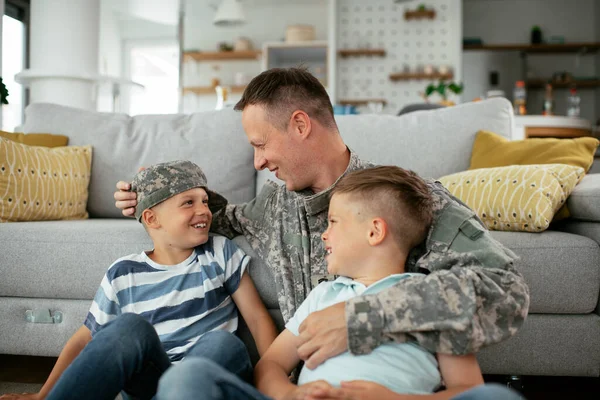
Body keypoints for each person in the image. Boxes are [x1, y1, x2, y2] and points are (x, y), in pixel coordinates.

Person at [114, 67, 529, 369]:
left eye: (261, 145)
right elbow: (217, 217)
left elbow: (505, 289)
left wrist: (361, 318)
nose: (257, 162)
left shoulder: (399, 198)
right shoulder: (274, 207)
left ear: (299, 125)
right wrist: (150, 196)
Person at [154, 166, 522, 400]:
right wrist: (289, 395)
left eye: (333, 222)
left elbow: (467, 389)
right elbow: (270, 367)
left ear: (375, 231)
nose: (323, 234)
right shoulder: (326, 294)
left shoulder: (432, 298)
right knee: (191, 374)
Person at [0, 161, 277, 400]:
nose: (204, 210)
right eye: (188, 202)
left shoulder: (220, 251)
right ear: (152, 218)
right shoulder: (123, 273)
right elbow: (85, 341)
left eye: (204, 201)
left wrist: (276, 384)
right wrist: (44, 393)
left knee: (222, 343)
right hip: (154, 382)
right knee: (127, 328)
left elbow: (257, 319)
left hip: (208, 375)